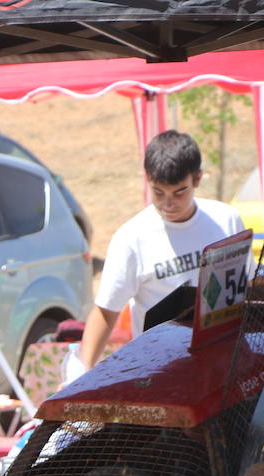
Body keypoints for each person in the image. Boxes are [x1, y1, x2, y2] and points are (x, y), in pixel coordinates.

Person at [72, 129, 246, 376]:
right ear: (148, 180)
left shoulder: (226, 220)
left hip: (222, 358)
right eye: (158, 192)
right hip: (159, 368)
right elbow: (106, 310)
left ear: (197, 179)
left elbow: (245, 286)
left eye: (179, 192)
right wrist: (81, 372)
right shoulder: (131, 238)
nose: (168, 203)